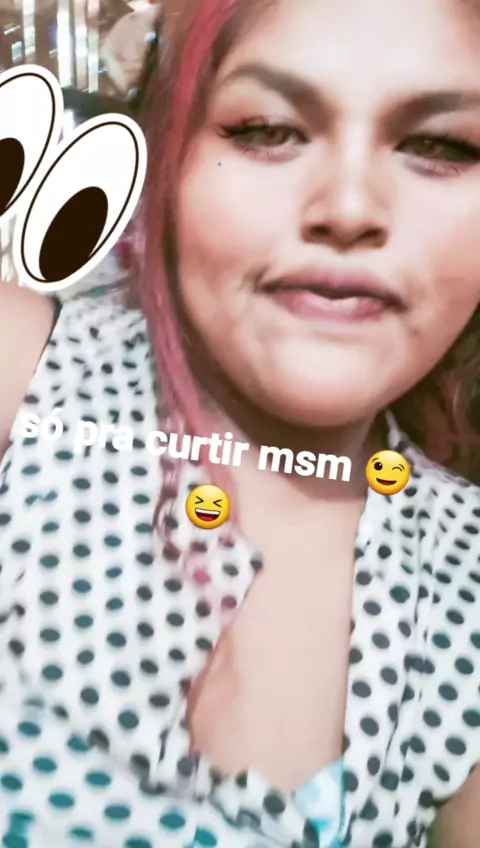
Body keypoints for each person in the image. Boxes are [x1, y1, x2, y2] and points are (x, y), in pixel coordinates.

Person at [0, 0, 479, 845]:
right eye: (266, 130)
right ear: (166, 166)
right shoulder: (24, 370)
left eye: (441, 146)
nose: (348, 207)